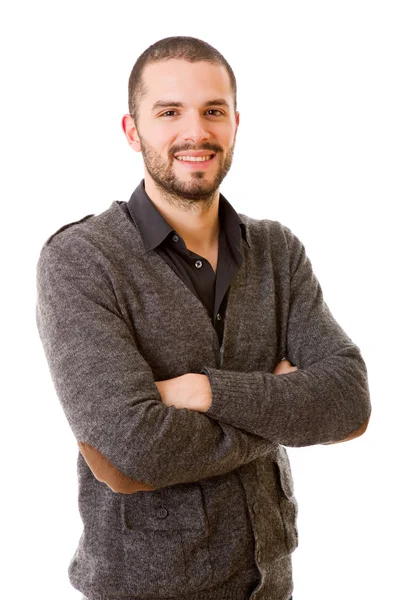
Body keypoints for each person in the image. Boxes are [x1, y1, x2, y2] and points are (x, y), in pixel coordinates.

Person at [35, 36, 371, 600]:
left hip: (272, 583)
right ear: (132, 130)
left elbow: (349, 402)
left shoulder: (277, 250)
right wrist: (282, 407)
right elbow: (129, 453)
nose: (196, 132)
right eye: (169, 112)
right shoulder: (81, 260)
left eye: (213, 111)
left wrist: (201, 392)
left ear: (236, 124)